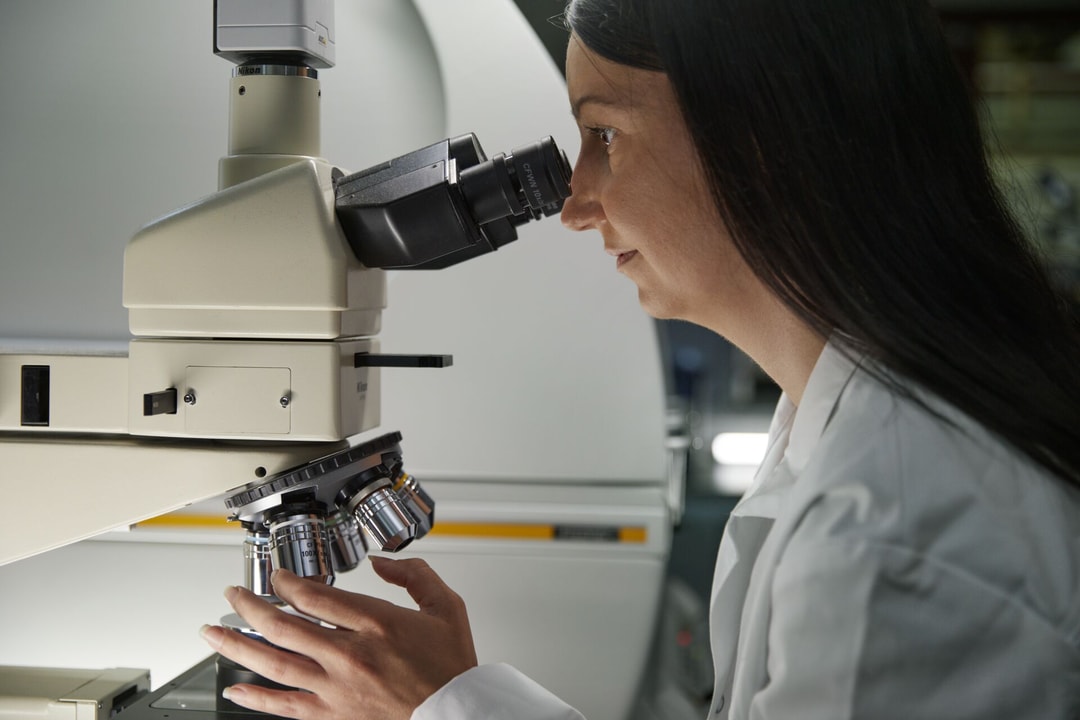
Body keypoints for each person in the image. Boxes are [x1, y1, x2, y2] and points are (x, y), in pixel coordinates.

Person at [199, 0, 1080, 717]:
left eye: (606, 136)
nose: (575, 204)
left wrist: (449, 707)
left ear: (764, 141)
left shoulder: (893, 522)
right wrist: (450, 697)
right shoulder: (845, 431)